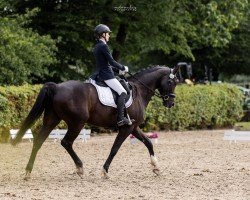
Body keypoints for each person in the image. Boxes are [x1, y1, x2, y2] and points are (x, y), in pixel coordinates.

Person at [93, 24, 131, 127]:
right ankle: (121, 118)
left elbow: (105, 64)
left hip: (101, 73)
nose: (109, 36)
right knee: (122, 92)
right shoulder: (103, 46)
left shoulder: (97, 46)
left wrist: (117, 71)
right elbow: (112, 61)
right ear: (103, 34)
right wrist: (123, 68)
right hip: (106, 76)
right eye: (108, 34)